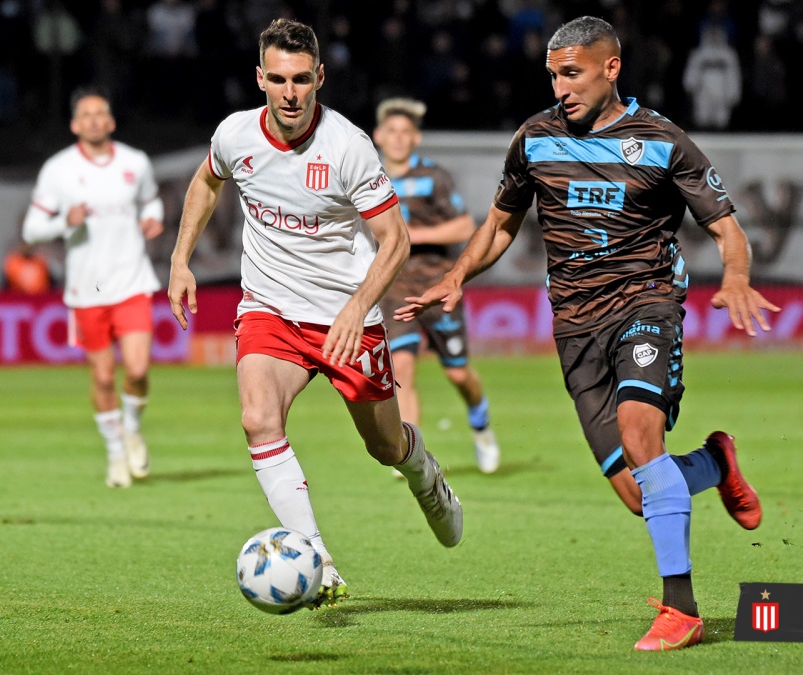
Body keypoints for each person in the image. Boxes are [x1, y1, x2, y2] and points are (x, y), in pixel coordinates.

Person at [396, 16, 779, 650]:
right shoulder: (535, 139)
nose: (560, 88)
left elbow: (726, 228)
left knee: (640, 435)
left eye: (572, 74)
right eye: (553, 75)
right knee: (638, 493)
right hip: (575, 327)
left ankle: (680, 609)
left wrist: (735, 277)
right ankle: (715, 462)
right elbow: (499, 223)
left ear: (611, 67)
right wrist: (457, 275)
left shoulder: (663, 141)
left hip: (646, 304)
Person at [168, 18, 463, 609]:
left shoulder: (347, 146)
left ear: (320, 77)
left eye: (301, 79)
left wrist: (358, 307)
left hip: (346, 317)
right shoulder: (235, 135)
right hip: (270, 306)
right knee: (258, 419)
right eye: (278, 79)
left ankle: (425, 474)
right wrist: (180, 260)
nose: (290, 93)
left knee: (385, 447)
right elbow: (206, 182)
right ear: (260, 78)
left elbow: (396, 240)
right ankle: (318, 562)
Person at [23, 86, 164, 488]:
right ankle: (116, 454)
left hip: (132, 280)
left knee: (137, 369)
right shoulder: (58, 169)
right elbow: (31, 230)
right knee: (103, 378)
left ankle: (131, 429)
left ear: (111, 121)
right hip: (87, 290)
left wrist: (153, 218)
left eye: (99, 113)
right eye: (84, 115)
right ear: (74, 125)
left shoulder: (135, 162)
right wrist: (64, 221)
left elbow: (151, 201)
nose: (93, 120)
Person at [373, 98, 501, 474]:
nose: (398, 139)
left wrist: (412, 235)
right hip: (395, 286)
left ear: (416, 138)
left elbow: (463, 226)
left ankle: (480, 422)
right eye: (391, 131)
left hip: (437, 284)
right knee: (401, 369)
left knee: (458, 374)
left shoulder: (434, 177)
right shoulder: (368, 179)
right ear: (378, 136)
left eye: (405, 132)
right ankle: (410, 454)